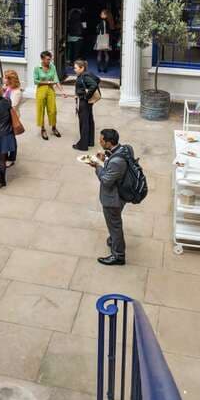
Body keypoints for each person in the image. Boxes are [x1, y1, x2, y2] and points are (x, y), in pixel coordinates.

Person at [89, 129, 130, 266]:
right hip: (122, 194)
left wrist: (96, 166)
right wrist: (105, 159)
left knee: (115, 226)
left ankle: (118, 255)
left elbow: (106, 180)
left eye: (101, 140)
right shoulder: (124, 149)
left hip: (113, 199)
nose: (99, 142)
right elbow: (115, 168)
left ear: (108, 142)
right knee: (115, 224)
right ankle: (114, 239)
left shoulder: (116, 162)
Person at [34, 50, 62, 141]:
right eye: (47, 59)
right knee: (41, 110)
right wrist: (48, 82)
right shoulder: (37, 68)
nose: (49, 61)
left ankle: (54, 128)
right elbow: (36, 81)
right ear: (42, 59)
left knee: (53, 110)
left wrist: (62, 91)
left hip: (50, 90)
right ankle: (43, 129)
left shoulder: (52, 66)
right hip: (41, 90)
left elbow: (56, 79)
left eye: (50, 59)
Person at [72, 59, 99, 151]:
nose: (74, 69)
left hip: (84, 101)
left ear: (81, 68)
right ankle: (90, 141)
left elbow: (94, 84)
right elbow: (97, 80)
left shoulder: (84, 76)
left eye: (75, 68)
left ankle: (83, 145)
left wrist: (86, 96)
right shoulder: (87, 74)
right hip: (87, 102)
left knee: (84, 123)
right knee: (89, 121)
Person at [3, 69, 23, 166]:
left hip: (11, 117)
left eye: (5, 78)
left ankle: (12, 158)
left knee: (11, 139)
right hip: (5, 117)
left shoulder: (17, 92)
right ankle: (5, 156)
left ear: (10, 79)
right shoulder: (9, 88)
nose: (3, 79)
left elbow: (12, 108)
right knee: (6, 138)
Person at [95, 9, 115, 73]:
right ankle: (105, 69)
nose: (101, 15)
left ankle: (99, 69)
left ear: (105, 15)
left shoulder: (101, 22)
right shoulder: (108, 23)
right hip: (106, 39)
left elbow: (98, 32)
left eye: (102, 14)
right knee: (106, 54)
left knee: (99, 53)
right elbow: (109, 32)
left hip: (101, 39)